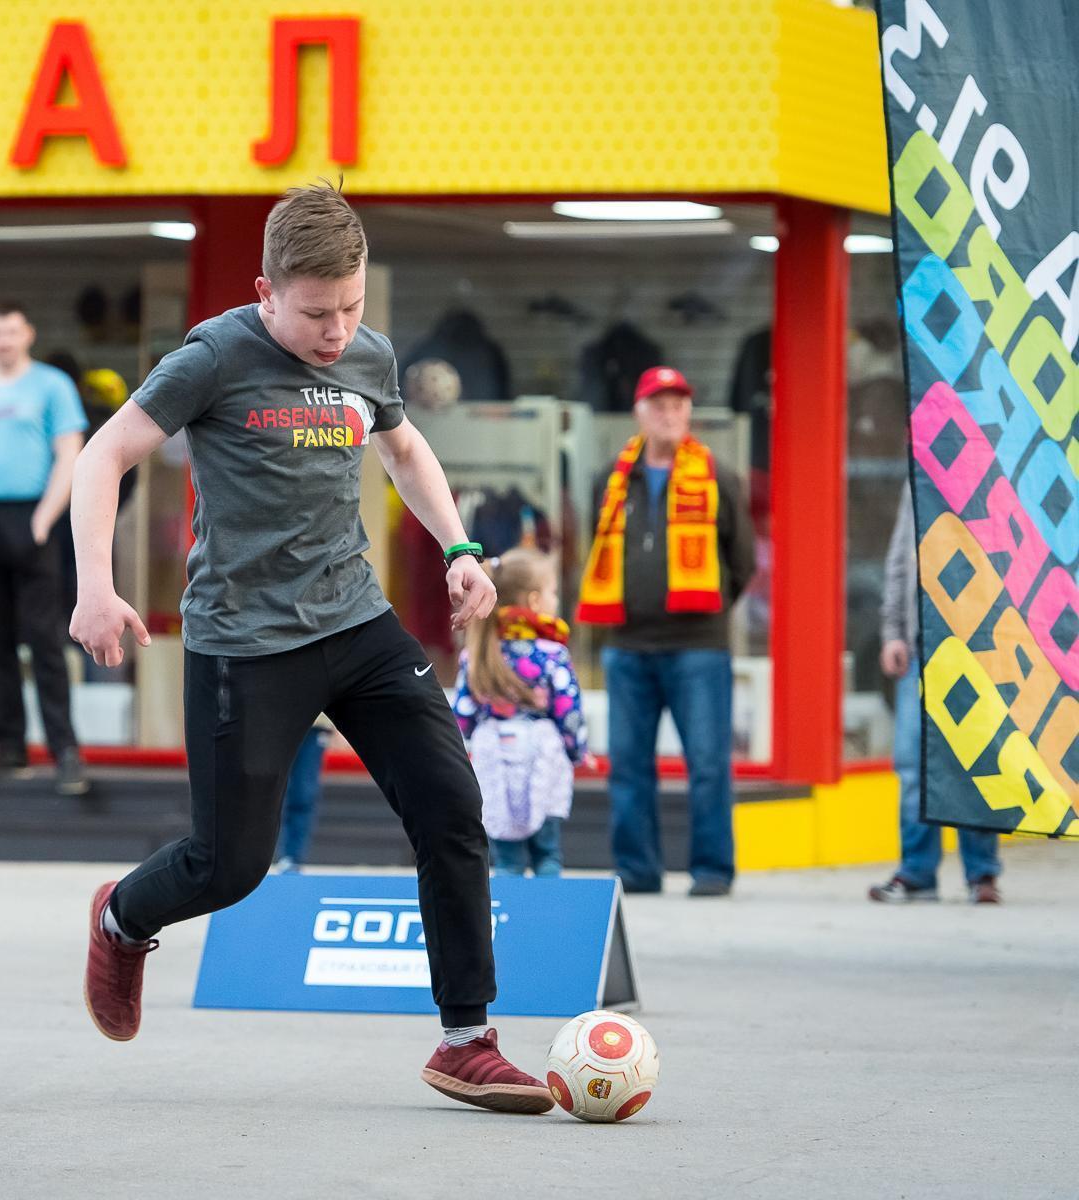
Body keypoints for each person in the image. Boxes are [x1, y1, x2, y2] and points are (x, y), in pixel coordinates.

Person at [70, 182, 552, 1113]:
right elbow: (104, 456)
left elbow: (403, 450)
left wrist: (458, 548)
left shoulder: (370, 355)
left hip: (356, 623)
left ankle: (467, 1040)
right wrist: (97, 585)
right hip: (245, 643)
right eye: (316, 314)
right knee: (229, 866)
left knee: (452, 805)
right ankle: (123, 917)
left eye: (352, 308)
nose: (338, 332)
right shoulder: (212, 356)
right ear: (265, 292)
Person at [576, 366, 756, 897]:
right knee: (629, 767)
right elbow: (596, 546)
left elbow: (742, 561)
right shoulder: (611, 478)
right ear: (639, 412)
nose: (669, 414)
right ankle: (638, 870)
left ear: (689, 413)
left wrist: (706, 608)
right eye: (659, 405)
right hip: (627, 645)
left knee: (707, 765)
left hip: (699, 647)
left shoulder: (719, 477)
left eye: (678, 405)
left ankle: (712, 870)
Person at [0, 302, 90, 795]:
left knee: (44, 640)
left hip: (33, 518)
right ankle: (10, 747)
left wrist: (45, 517)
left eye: (10, 331)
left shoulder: (53, 386)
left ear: (28, 333)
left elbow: (69, 454)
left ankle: (65, 751)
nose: (2, 340)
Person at [868, 483, 1001, 904]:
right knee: (913, 765)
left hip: (979, 649)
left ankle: (981, 874)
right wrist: (893, 632)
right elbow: (899, 560)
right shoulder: (918, 481)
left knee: (978, 762)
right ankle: (917, 873)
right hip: (922, 647)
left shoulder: (989, 475)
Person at [454, 548, 591, 878]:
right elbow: (568, 711)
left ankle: (508, 907)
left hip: (493, 756)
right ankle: (549, 906)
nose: (556, 600)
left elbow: (462, 714)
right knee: (547, 855)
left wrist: (472, 738)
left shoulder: (478, 654)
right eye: (553, 593)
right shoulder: (552, 654)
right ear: (534, 600)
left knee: (506, 861)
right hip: (543, 756)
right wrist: (577, 750)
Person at [272, 723, 330, 873]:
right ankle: (259, 855)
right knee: (268, 789)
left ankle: (292, 856)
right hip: (275, 722)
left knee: (303, 793)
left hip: (315, 726)